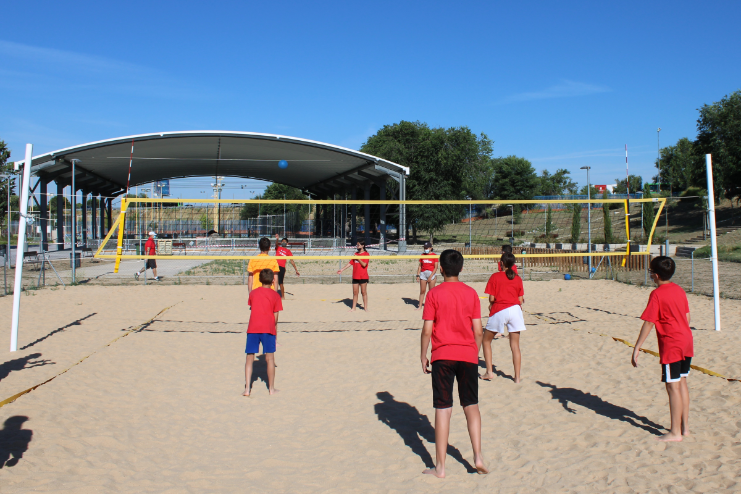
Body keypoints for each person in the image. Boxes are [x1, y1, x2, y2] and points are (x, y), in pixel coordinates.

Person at [420, 249, 488, 478]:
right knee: (471, 405)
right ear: (461, 269)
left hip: (442, 355)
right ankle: (478, 456)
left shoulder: (434, 294)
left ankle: (440, 468)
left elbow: (427, 330)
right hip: (467, 354)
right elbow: (478, 331)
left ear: (440, 269)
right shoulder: (471, 293)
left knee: (443, 408)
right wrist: (473, 352)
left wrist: (423, 355)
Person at [632, 256, 693, 442]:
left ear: (656, 275)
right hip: (686, 340)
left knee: (672, 387)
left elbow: (649, 322)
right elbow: (687, 316)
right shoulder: (679, 290)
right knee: (682, 383)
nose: (650, 275)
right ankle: (685, 428)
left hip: (672, 344)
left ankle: (675, 432)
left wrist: (637, 347)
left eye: (651, 272)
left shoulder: (657, 294)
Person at [481, 252, 525, 383]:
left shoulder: (495, 276)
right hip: (515, 310)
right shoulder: (517, 278)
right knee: (515, 345)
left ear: (501, 263)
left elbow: (492, 298)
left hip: (500, 309)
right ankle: (517, 377)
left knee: (486, 341)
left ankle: (489, 372)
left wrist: (491, 304)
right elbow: (520, 300)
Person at [244, 268, 283, 396]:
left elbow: (253, 308)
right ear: (273, 281)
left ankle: (247, 389)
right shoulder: (275, 295)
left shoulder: (253, 293)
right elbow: (275, 318)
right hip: (268, 328)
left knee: (249, 358)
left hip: (253, 328)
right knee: (270, 359)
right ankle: (271, 389)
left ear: (259, 280)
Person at [337, 240, 369, 311]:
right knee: (355, 293)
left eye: (358, 245)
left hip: (363, 276)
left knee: (363, 292)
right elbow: (350, 263)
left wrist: (358, 258)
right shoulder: (355, 254)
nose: (357, 246)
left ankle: (365, 308)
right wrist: (342, 269)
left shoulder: (366, 254)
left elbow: (364, 264)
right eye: (357, 245)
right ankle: (353, 308)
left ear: (362, 246)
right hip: (355, 276)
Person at [274, 235, 300, 299]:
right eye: (282, 241)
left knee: (280, 282)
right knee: (273, 281)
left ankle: (283, 297)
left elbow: (292, 261)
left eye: (285, 241)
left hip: (282, 267)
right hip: (275, 266)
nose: (284, 242)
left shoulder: (288, 251)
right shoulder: (278, 248)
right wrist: (277, 239)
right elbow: (276, 244)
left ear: (287, 243)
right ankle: (273, 295)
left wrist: (296, 270)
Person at [415, 242, 438, 310]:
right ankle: (420, 306)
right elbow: (420, 266)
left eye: (427, 248)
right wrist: (418, 275)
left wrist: (431, 276)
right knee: (422, 291)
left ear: (431, 248)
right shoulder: (423, 255)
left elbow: (436, 267)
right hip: (423, 274)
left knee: (431, 292)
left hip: (431, 273)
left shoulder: (434, 255)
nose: (425, 249)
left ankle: (432, 306)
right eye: (425, 248)